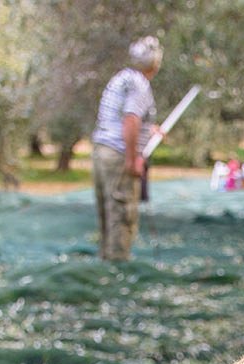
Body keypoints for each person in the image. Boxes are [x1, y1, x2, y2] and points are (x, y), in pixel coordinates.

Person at [91, 36, 163, 262]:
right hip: (119, 155)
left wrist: (148, 131)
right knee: (122, 215)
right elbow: (131, 120)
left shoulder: (122, 78)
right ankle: (117, 267)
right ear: (154, 63)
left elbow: (127, 119)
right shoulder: (140, 84)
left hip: (102, 151)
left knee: (108, 211)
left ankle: (106, 259)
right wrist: (133, 160)